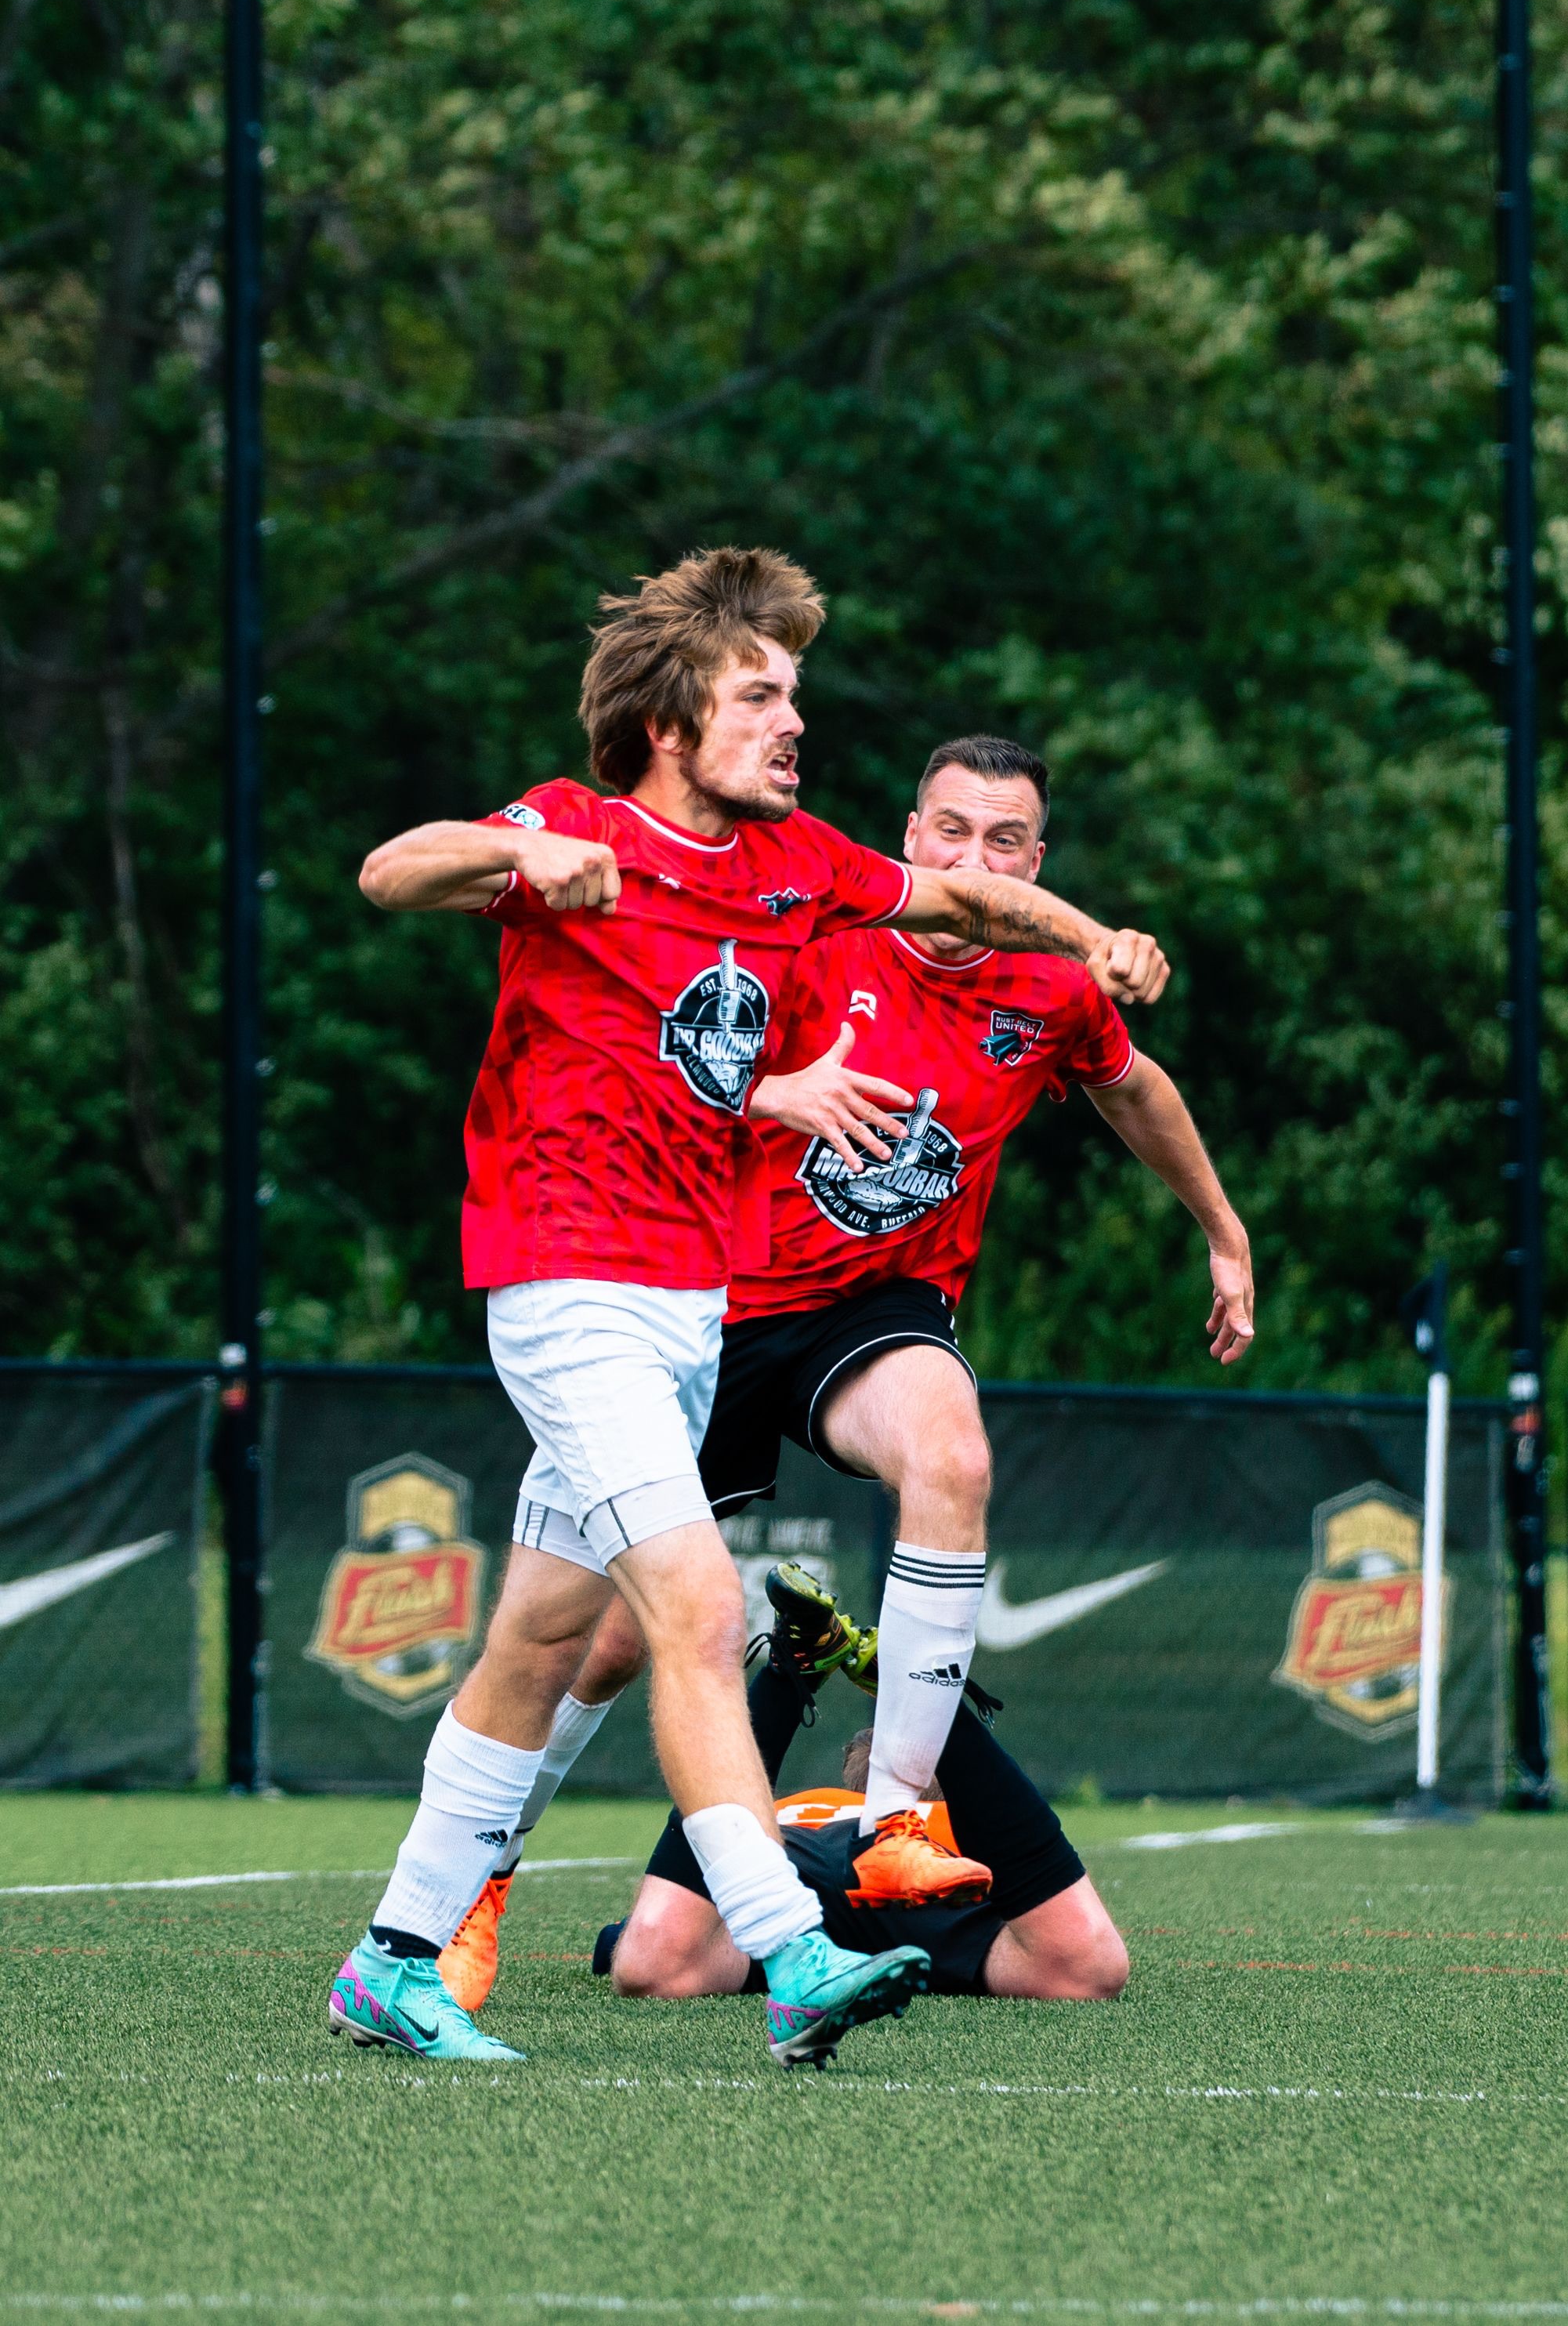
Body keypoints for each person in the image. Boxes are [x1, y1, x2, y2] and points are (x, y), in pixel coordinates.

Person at [330, 549, 1168, 2071]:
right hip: (562, 1277)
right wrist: (514, 864)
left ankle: (393, 1956)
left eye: (796, 690)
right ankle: (792, 1948)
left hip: (682, 1302)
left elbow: (962, 888)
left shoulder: (798, 863)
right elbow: (393, 871)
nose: (795, 719)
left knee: (537, 1634)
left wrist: (1085, 937)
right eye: (760, 692)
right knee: (704, 1608)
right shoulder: (578, 823)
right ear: (670, 719)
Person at [434, 733, 1247, 2004]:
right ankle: (471, 1884)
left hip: (873, 1308)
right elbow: (663, 1054)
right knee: (590, 1646)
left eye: (1006, 839)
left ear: (1035, 860)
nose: (974, 858)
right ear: (909, 839)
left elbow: (1130, 1086)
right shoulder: (808, 925)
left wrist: (1220, 1227)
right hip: (700, 1303)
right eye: (950, 830)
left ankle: (893, 1810)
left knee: (950, 1450)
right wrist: (779, 1091)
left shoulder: (1049, 983)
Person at [454, 1568, 1129, 2027]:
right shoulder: (805, 1817)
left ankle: (854, 1676)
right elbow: (637, 1950)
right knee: (650, 1961)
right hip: (791, 1896)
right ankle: (860, 1676)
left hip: (926, 1896)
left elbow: (617, 1945)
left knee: (1089, 1966)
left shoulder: (943, 1828)